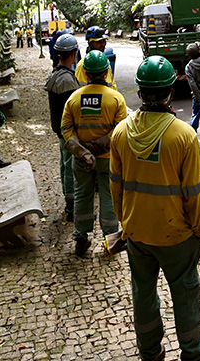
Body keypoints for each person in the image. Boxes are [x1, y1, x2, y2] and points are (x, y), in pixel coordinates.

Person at [110, 56, 200, 361]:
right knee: (186, 295)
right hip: (176, 237)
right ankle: (192, 354)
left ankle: (150, 352)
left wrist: (126, 222)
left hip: (137, 235)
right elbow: (194, 193)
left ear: (139, 91)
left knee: (143, 293)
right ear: (171, 91)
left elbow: (115, 186)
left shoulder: (121, 133)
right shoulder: (183, 136)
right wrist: (198, 229)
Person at [61, 50, 128, 256]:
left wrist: (83, 151)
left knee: (82, 195)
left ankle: (81, 238)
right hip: (108, 160)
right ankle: (111, 240)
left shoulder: (74, 98)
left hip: (81, 161)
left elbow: (66, 129)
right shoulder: (116, 99)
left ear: (86, 74)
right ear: (107, 72)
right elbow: (121, 130)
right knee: (108, 197)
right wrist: (98, 147)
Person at [45, 33, 80, 222]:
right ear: (73, 54)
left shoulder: (55, 75)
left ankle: (70, 204)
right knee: (70, 168)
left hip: (60, 132)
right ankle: (72, 207)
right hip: (68, 134)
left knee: (64, 166)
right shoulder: (66, 80)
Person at [76, 26, 117, 90]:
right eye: (98, 42)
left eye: (103, 41)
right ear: (91, 44)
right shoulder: (82, 65)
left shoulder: (106, 62)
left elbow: (112, 85)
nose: (103, 44)